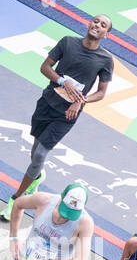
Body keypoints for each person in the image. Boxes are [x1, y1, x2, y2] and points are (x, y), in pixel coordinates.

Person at [3, 16, 114, 217]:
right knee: (36, 150)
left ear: (107, 34)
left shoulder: (105, 60)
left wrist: (80, 101)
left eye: (103, 25)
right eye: (95, 21)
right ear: (89, 24)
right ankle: (35, 178)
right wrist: (62, 82)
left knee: (39, 155)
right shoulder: (67, 42)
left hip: (67, 114)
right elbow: (45, 68)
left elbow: (101, 92)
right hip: (47, 103)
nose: (97, 25)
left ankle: (17, 198)